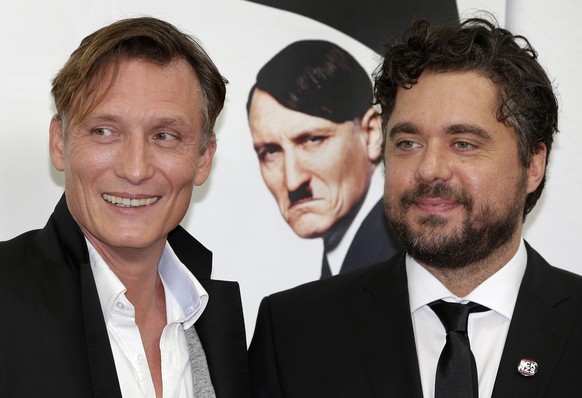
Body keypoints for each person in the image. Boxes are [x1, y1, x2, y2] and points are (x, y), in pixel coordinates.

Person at [248, 17, 582, 397]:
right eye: (408, 143)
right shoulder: (295, 333)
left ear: (533, 164)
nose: (429, 169)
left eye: (464, 144)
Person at [0, 17, 249, 397]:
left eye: (165, 136)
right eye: (104, 131)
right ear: (58, 143)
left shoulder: (218, 321)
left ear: (203, 159)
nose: (135, 169)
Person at [247, 40, 400, 278]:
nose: (293, 182)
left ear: (371, 135)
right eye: (271, 152)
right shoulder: (346, 261)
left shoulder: (401, 260)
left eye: (312, 140)